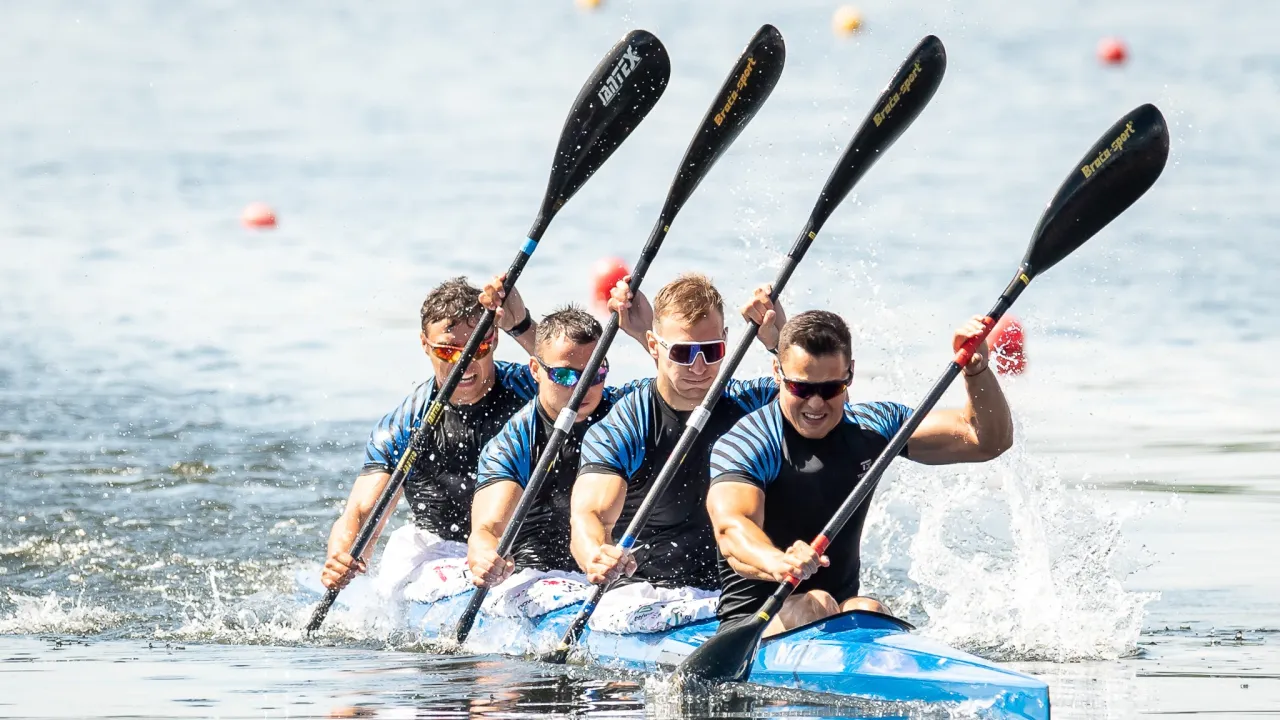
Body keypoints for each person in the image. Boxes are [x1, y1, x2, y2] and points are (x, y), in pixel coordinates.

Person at [706, 310, 1014, 637]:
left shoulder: (873, 427)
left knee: (869, 610)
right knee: (817, 604)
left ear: (850, 374)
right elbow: (732, 532)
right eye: (801, 388)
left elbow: (987, 440)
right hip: (755, 621)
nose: (815, 404)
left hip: (839, 616)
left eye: (830, 388)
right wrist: (779, 562)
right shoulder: (749, 442)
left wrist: (976, 370)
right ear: (777, 374)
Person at [320, 274, 539, 591]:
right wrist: (342, 557)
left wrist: (522, 325)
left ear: (494, 341)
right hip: (443, 554)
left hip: (517, 553)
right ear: (425, 345)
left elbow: (583, 381)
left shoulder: (535, 389)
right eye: (449, 352)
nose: (464, 365)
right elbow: (361, 512)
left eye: (477, 348)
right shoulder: (406, 424)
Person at [571, 274, 783, 594]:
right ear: (654, 346)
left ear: (726, 340)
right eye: (684, 354)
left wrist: (779, 343)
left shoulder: (751, 404)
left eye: (711, 351)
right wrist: (596, 555)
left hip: (741, 589)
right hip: (649, 591)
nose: (699, 368)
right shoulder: (627, 424)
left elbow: (828, 405)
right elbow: (591, 516)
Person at [467, 305, 645, 588]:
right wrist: (485, 557)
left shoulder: (629, 412)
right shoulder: (513, 442)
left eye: (595, 374)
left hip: (612, 574)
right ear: (536, 370)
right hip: (538, 578)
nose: (583, 387)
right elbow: (488, 529)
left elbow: (688, 382)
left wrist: (642, 327)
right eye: (565, 376)